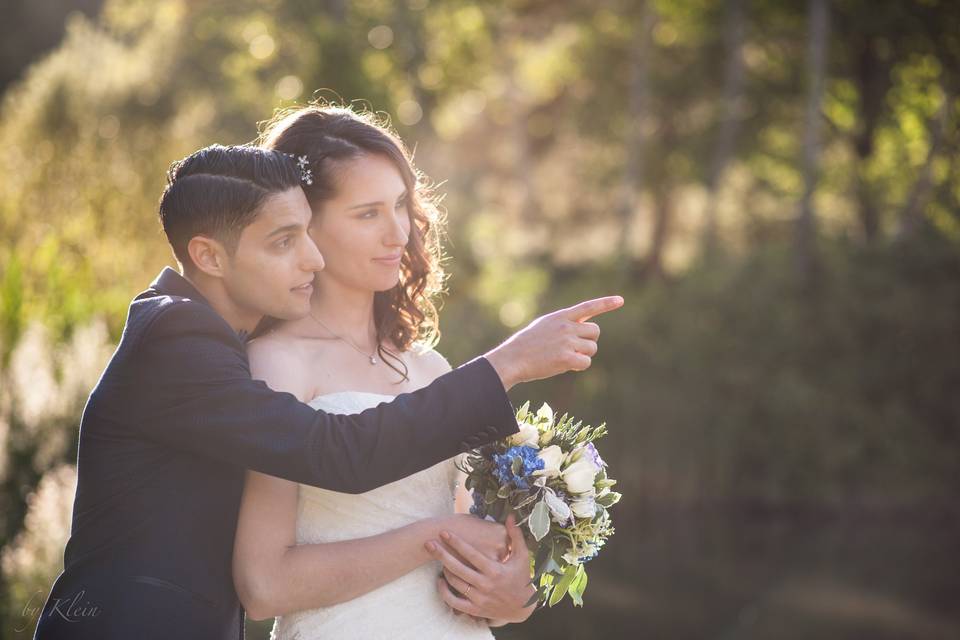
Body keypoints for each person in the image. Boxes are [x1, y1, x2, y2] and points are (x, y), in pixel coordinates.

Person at [32, 144, 623, 640]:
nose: (312, 258)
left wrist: (511, 588)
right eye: (284, 241)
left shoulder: (214, 342)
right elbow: (337, 452)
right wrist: (508, 363)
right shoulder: (177, 339)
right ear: (207, 256)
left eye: (307, 234)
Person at [233, 105, 570, 638]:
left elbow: (472, 550)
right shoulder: (277, 365)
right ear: (304, 225)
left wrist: (511, 598)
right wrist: (429, 536)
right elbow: (263, 585)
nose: (398, 233)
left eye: (399, 206)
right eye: (367, 214)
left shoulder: (430, 367)